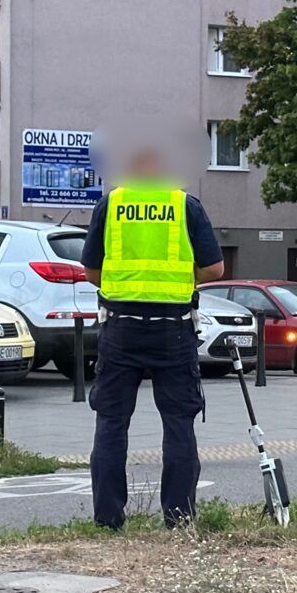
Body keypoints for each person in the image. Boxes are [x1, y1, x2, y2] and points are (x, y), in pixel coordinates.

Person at [81, 144, 224, 530]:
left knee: (111, 421)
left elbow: (92, 271)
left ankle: (108, 519)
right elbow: (214, 268)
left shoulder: (111, 204)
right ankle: (178, 518)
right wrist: (177, 280)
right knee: (179, 423)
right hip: (172, 329)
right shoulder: (184, 205)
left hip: (121, 325)